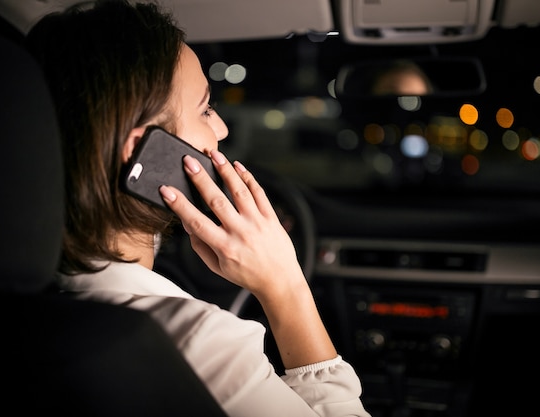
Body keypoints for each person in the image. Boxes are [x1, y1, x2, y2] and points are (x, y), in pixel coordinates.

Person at [25, 1, 371, 416]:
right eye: (205, 109)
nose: (221, 128)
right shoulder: (200, 344)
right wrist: (284, 285)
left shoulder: (30, 305)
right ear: (141, 154)